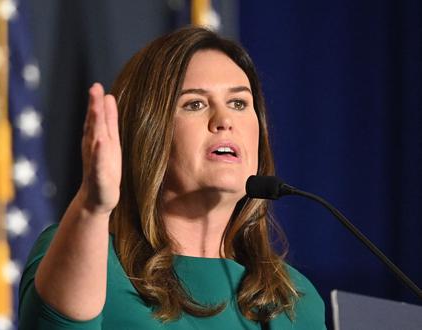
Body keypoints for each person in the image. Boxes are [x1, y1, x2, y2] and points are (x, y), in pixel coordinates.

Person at [18, 26, 326, 329]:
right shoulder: (90, 255)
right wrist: (92, 206)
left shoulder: (295, 298)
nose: (224, 120)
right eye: (195, 104)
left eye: (238, 103)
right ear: (148, 132)